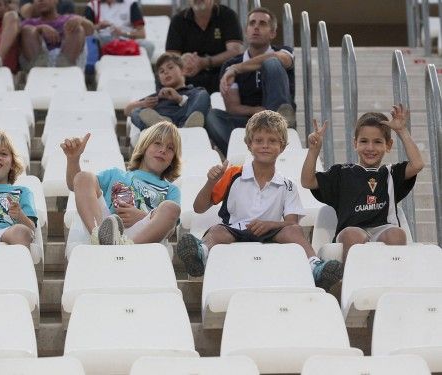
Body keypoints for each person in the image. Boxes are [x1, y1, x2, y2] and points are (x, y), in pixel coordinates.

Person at [177, 110, 343, 291]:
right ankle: (200, 254)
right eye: (258, 141)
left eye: (272, 141)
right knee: (217, 230)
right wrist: (211, 182)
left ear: (283, 146)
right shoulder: (233, 174)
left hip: (270, 234)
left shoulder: (287, 185)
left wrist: (270, 225)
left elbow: (291, 223)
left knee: (294, 231)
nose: (265, 146)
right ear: (249, 144)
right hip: (234, 229)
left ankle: (315, 268)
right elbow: (199, 208)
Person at [301, 104, 424, 263]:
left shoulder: (392, 173)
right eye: (364, 141)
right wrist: (313, 151)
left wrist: (401, 130)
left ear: (388, 145)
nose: (370, 148)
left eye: (378, 142)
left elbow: (417, 164)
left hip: (384, 229)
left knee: (397, 234)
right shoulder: (341, 173)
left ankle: (394, 283)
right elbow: (307, 181)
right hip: (351, 230)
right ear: (355, 143)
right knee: (353, 234)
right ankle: (347, 282)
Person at [61, 121, 182, 246]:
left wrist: (142, 217)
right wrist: (73, 159)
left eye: (170, 148)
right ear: (144, 147)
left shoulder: (171, 189)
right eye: (157, 143)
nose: (163, 150)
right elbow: (75, 185)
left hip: (140, 240)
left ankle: (126, 247)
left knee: (171, 208)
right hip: (103, 225)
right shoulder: (115, 174)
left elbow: (170, 230)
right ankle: (98, 236)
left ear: (173, 159)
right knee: (83, 177)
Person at [206, 7, 295, 157]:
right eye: (252, 23)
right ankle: (243, 151)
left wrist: (237, 69)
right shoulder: (230, 64)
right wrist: (256, 111)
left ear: (273, 33)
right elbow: (233, 107)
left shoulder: (284, 51)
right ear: (246, 31)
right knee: (211, 115)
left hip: (277, 119)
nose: (256, 27)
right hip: (247, 124)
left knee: (272, 63)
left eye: (262, 24)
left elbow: (281, 59)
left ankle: (277, 125)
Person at [165, 0, 243, 94]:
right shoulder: (178, 20)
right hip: (190, 78)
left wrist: (205, 62)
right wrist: (184, 61)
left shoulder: (228, 15)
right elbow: (171, 57)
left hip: (222, 75)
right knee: (165, 75)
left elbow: (236, 52)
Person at [124, 52, 210, 130]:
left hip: (186, 118)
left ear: (183, 70)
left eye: (170, 67)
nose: (166, 72)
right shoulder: (157, 96)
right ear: (160, 80)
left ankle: (186, 128)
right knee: (136, 112)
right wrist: (143, 104)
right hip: (162, 123)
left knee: (204, 94)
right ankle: (162, 126)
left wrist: (179, 99)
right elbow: (127, 110)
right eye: (161, 71)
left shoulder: (195, 92)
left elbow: (204, 108)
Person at [20, 0, 94, 69]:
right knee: (27, 30)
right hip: (39, 64)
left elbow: (91, 30)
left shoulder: (69, 18)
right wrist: (39, 28)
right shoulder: (29, 23)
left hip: (68, 61)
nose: (40, 0)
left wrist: (80, 20)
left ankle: (64, 67)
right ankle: (40, 69)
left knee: (77, 29)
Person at [84, 0, 154, 59]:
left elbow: (142, 34)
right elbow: (85, 31)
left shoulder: (131, 4)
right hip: (102, 42)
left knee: (148, 46)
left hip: (127, 41)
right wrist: (98, 26)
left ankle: (141, 71)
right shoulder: (93, 5)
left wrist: (122, 33)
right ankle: (91, 71)